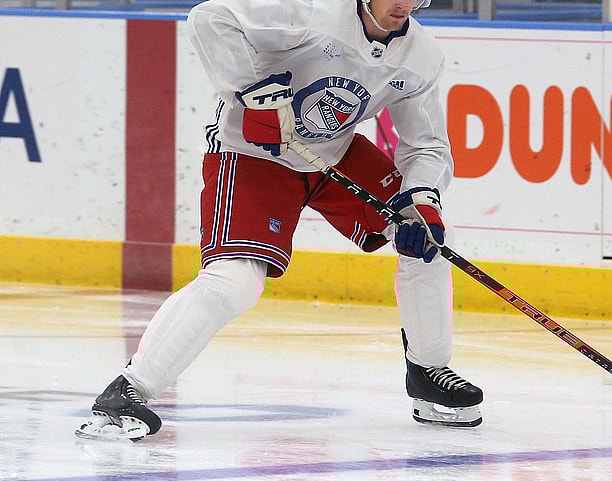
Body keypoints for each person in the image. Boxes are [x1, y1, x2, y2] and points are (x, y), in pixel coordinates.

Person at [74, 0, 484, 441]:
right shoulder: (312, 12)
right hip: (254, 153)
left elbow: (426, 145)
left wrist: (421, 198)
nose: (404, 3)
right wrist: (250, 89)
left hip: (335, 152)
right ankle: (128, 391)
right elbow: (210, 18)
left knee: (428, 236)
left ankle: (428, 370)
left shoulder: (421, 57)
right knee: (235, 282)